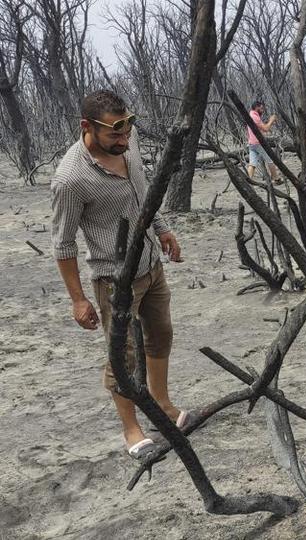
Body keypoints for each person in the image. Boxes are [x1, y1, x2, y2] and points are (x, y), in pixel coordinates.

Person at [51, 90, 188, 460]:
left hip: (150, 264)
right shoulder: (70, 179)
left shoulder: (128, 139)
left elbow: (142, 194)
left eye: (127, 129)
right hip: (114, 279)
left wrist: (161, 229)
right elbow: (63, 245)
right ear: (87, 127)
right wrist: (78, 299)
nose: (124, 140)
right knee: (122, 356)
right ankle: (131, 428)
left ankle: (161, 405)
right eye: (114, 133)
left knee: (161, 334)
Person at [246, 99, 280, 184]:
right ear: (256, 107)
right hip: (258, 143)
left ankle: (248, 181)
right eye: (261, 108)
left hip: (251, 143)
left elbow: (260, 127)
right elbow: (265, 129)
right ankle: (276, 179)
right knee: (270, 160)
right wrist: (271, 120)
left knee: (252, 164)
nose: (262, 110)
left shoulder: (251, 114)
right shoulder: (254, 117)